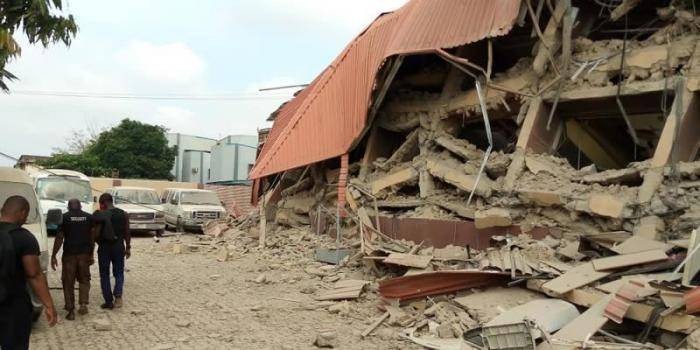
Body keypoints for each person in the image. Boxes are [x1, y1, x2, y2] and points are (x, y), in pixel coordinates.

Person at [0, 196, 57, 349]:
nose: (25, 219)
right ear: (22, 212)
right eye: (26, 215)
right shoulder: (24, 238)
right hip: (13, 304)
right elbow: (34, 275)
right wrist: (49, 305)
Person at [50, 199, 94, 320]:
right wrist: (91, 254)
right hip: (84, 255)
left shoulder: (64, 217)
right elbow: (92, 238)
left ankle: (70, 310)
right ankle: (83, 304)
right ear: (80, 206)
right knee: (85, 279)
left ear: (68, 207)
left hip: (69, 256)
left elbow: (59, 237)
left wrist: (53, 255)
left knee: (68, 282)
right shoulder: (89, 218)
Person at [94, 193, 130, 309]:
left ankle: (108, 301)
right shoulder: (123, 214)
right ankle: (118, 297)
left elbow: (96, 233)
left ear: (103, 203)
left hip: (104, 248)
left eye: (100, 204)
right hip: (119, 246)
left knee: (104, 274)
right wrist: (128, 247)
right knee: (119, 273)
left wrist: (96, 243)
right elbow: (127, 232)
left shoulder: (100, 215)